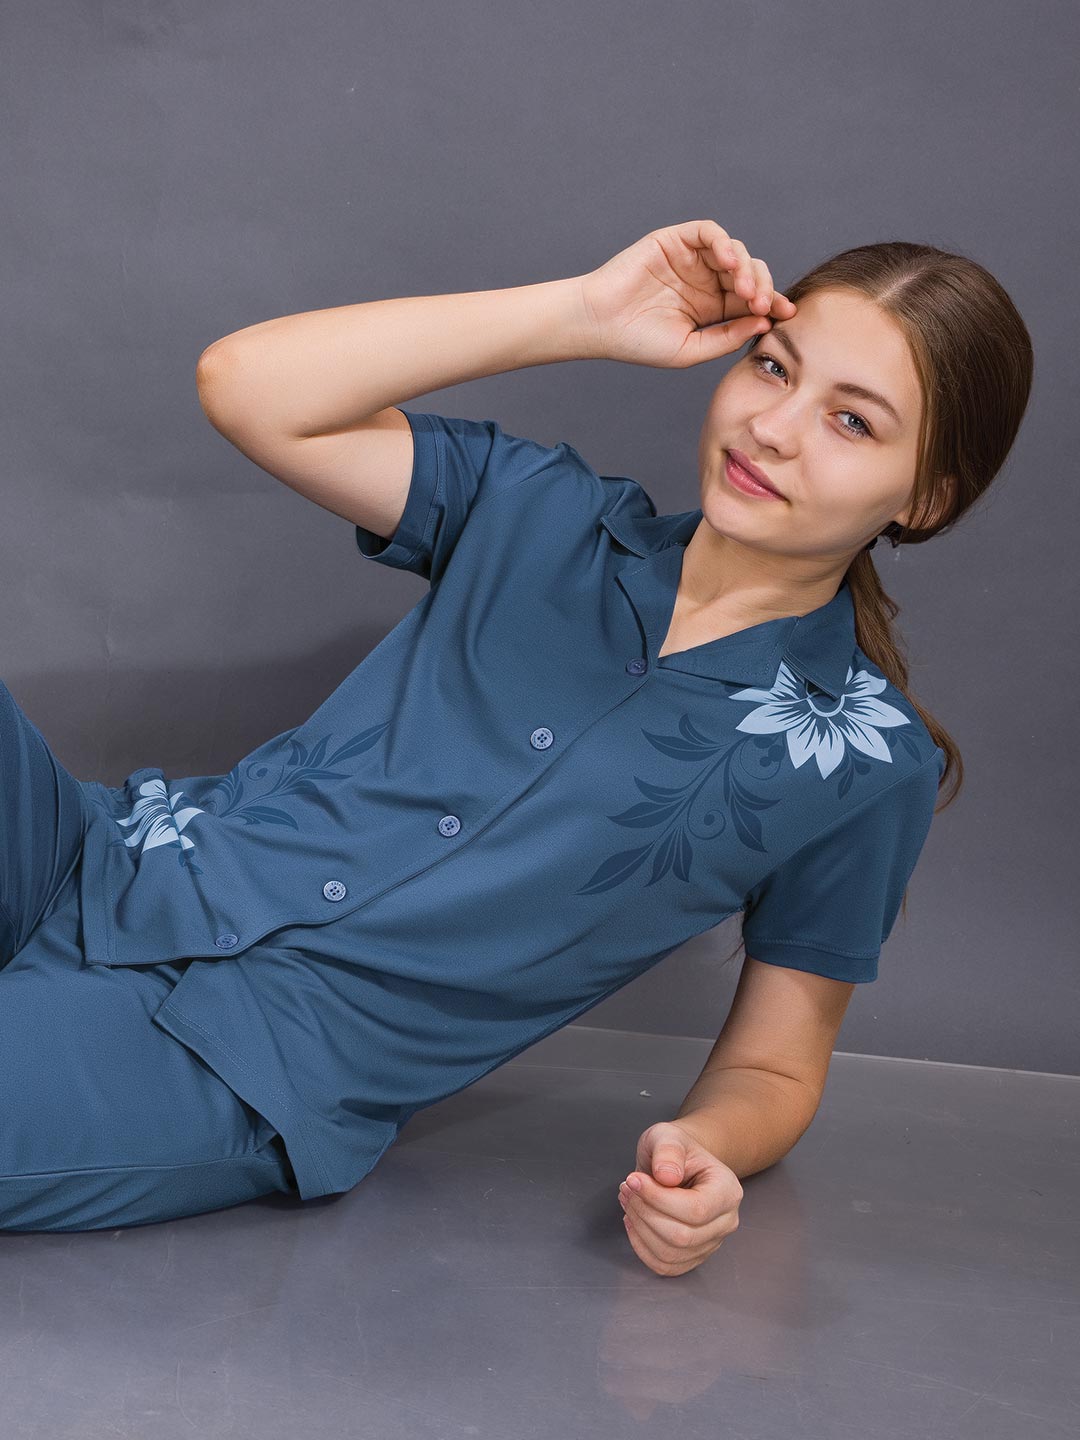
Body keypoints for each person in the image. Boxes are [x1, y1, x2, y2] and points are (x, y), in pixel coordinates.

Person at [0, 220, 1032, 1274]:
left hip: (240, 1059)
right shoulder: (539, 511)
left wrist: (709, 1149)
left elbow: (776, 1064)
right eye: (773, 367)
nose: (774, 427)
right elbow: (245, 384)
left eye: (851, 422)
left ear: (926, 496)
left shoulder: (860, 765)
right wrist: (581, 312)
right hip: (95, 855)